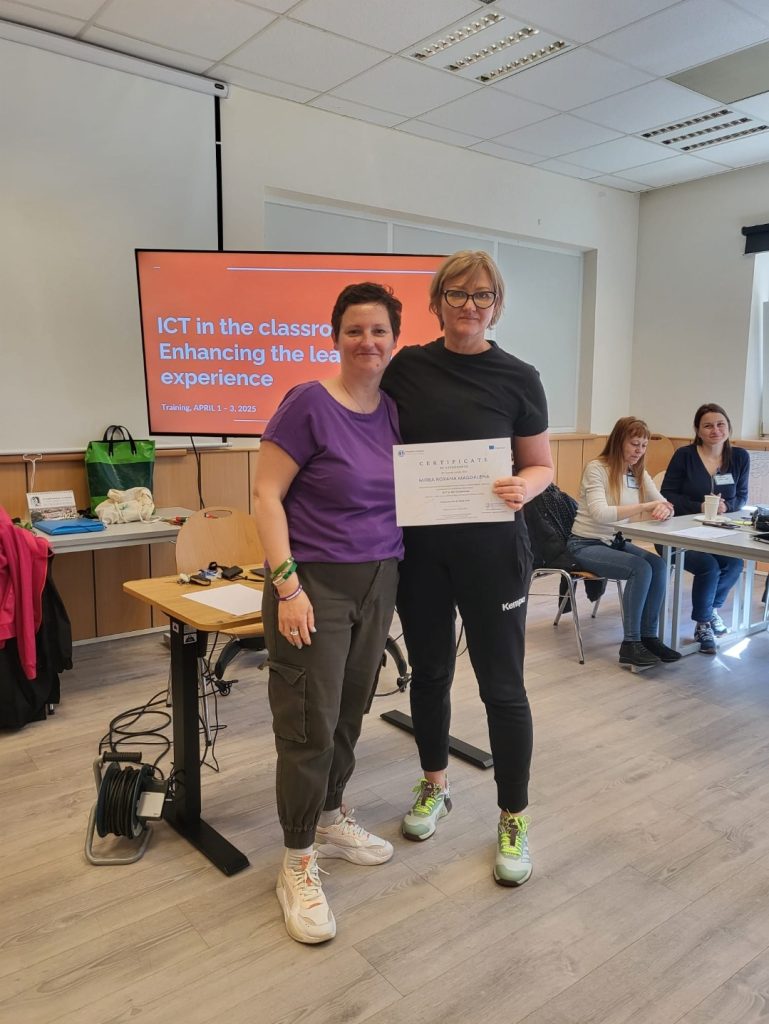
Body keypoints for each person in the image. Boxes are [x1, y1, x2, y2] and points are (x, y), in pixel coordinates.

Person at [381, 250, 553, 888]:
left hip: (494, 556)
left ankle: (514, 817)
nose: (469, 306)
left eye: (482, 295)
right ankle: (435, 785)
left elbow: (541, 464)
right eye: (457, 294)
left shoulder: (519, 377)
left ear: (496, 305)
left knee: (503, 689)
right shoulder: (406, 368)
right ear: (437, 302)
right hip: (422, 555)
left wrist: (524, 486)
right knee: (430, 674)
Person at [253, 282, 403, 945]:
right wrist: (288, 588)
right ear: (335, 336)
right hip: (313, 583)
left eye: (378, 330)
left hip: (380, 579)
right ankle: (295, 860)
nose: (367, 341)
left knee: (349, 711)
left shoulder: (393, 411)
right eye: (354, 330)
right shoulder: (308, 403)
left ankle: (330, 815)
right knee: (308, 722)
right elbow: (265, 494)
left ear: (394, 340)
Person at [566, 416, 682, 669]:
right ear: (618, 442)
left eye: (643, 446)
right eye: (634, 444)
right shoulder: (597, 469)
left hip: (614, 542)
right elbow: (601, 514)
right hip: (585, 544)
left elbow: (663, 503)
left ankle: (649, 637)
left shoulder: (637, 472)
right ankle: (631, 643)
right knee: (640, 568)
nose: (639, 451)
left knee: (659, 565)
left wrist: (666, 509)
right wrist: (645, 506)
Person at [660, 403, 749, 654]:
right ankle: (703, 625)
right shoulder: (684, 455)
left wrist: (727, 506)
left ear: (729, 427)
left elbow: (742, 496)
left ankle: (709, 612)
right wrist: (698, 506)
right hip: (677, 531)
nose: (715, 430)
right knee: (708, 566)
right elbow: (667, 494)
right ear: (698, 430)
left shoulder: (740, 457)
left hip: (717, 532)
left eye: (720, 424)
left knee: (734, 564)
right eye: (708, 425)